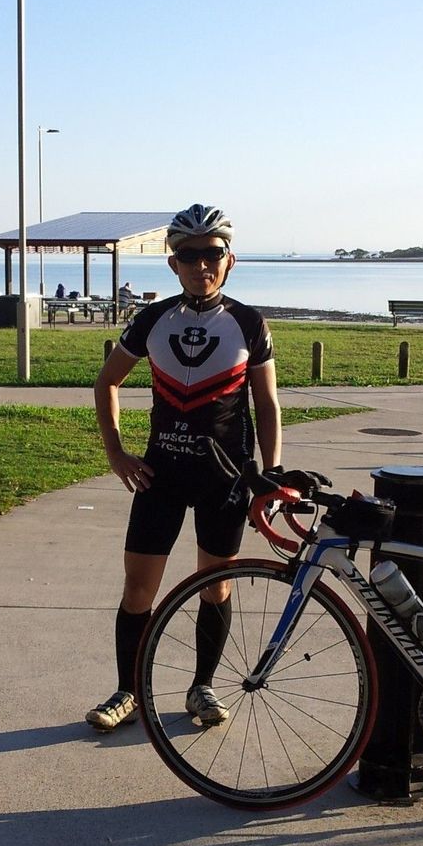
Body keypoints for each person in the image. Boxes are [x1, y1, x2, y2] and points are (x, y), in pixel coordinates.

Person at [87, 203, 282, 733]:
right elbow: (107, 382)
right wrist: (116, 453)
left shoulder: (249, 322)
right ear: (173, 263)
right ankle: (128, 691)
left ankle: (202, 687)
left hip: (225, 479)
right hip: (162, 476)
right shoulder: (152, 319)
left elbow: (266, 404)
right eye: (188, 256)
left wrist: (272, 473)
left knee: (216, 587)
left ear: (229, 260)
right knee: (138, 590)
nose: (201, 265)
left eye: (211, 254)